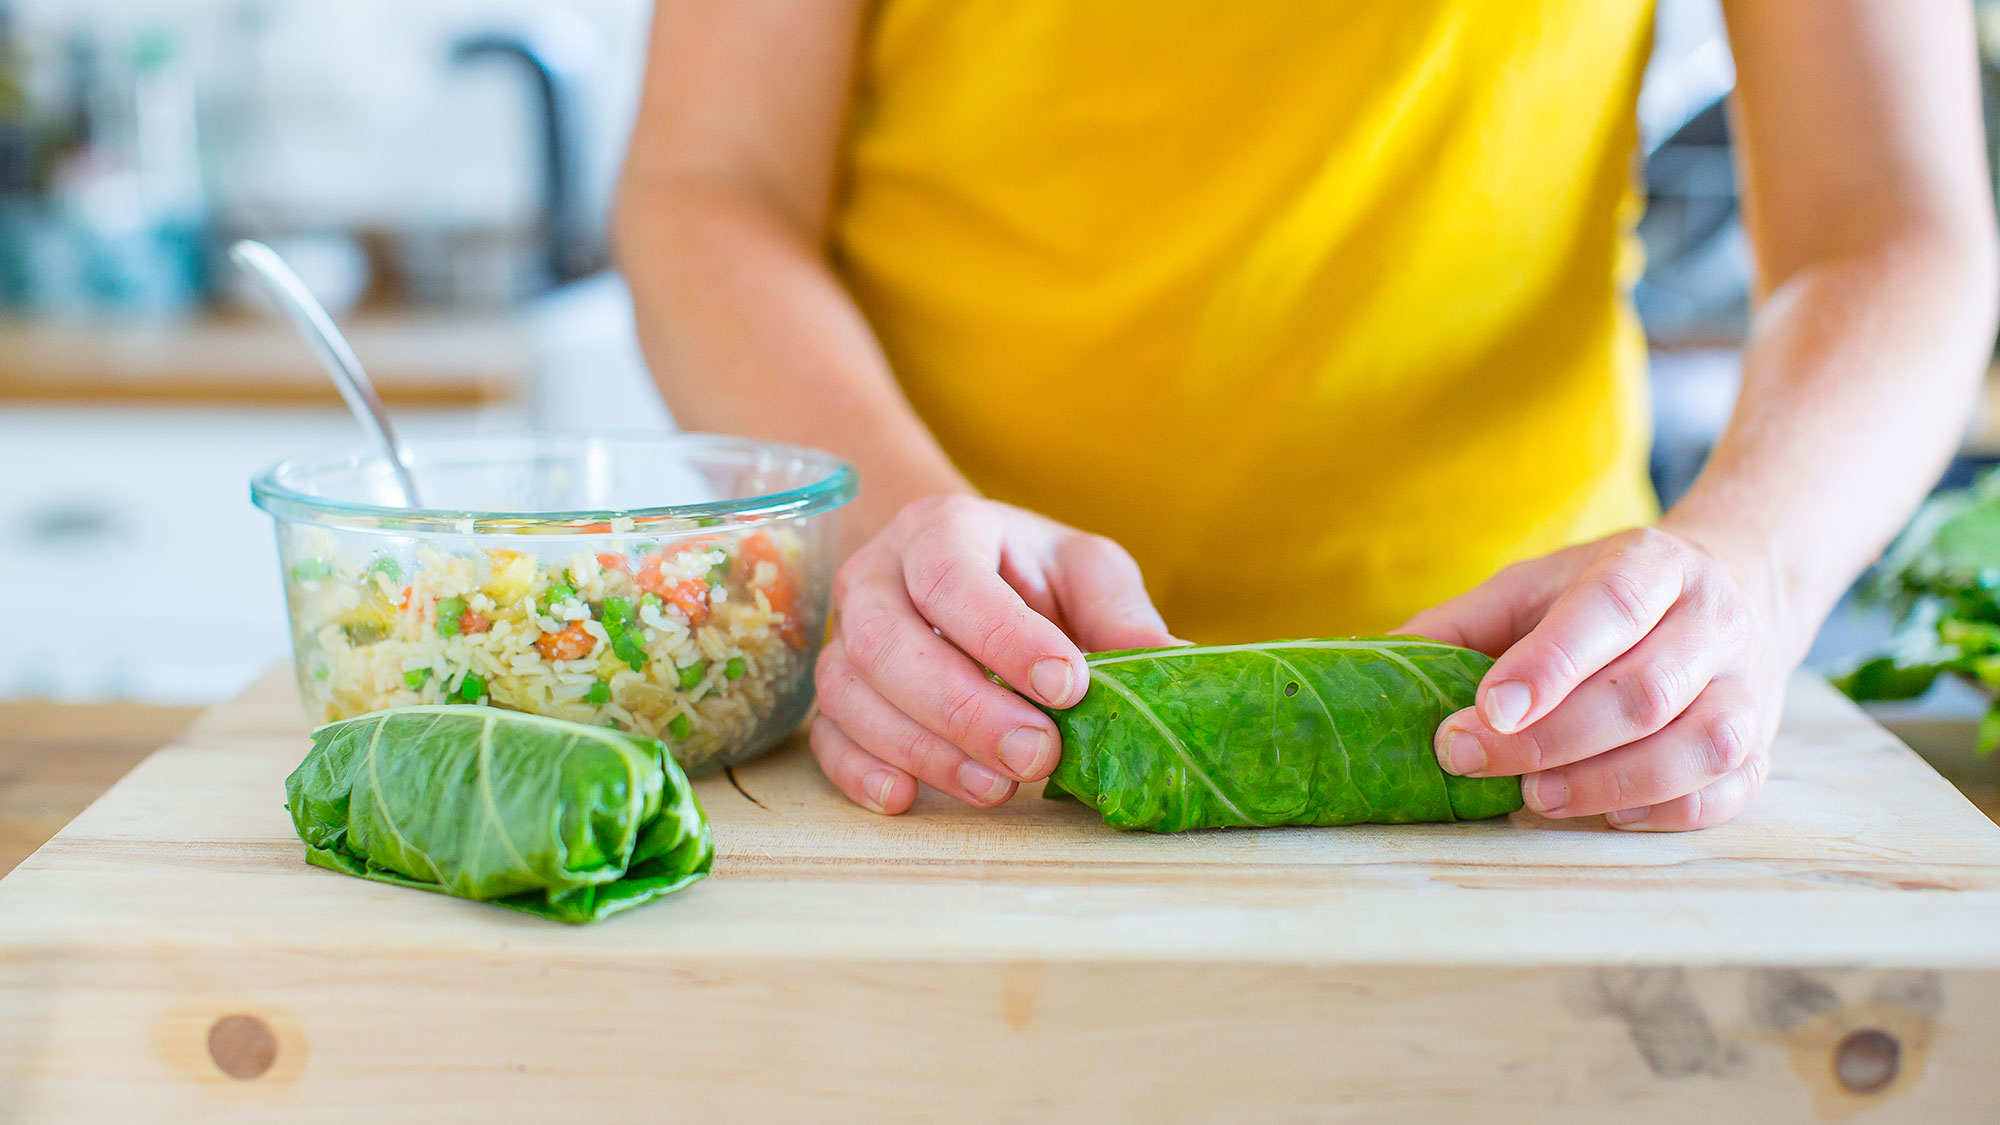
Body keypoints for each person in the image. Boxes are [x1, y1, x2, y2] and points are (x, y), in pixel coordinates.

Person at [615, 1, 1998, 830]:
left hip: (1550, 742)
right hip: (942, 727)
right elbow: (710, 184)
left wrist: (1752, 563)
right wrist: (896, 532)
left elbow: (1887, 223)